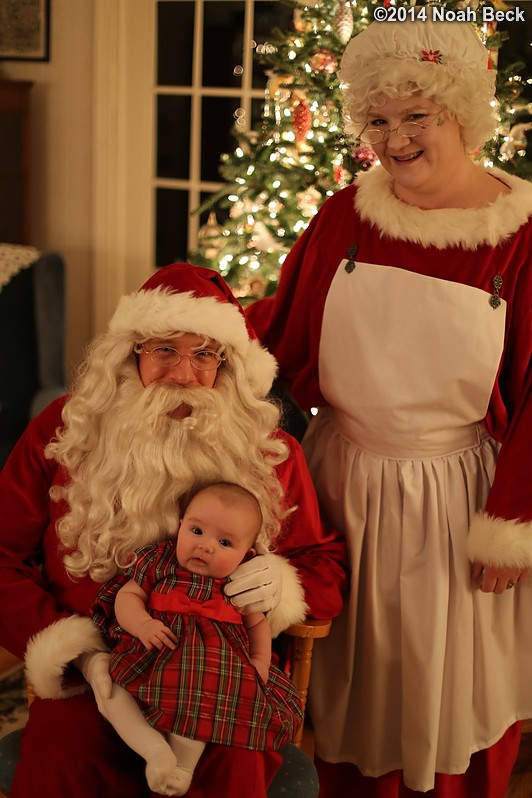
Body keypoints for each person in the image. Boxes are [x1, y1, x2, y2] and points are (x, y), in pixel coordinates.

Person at [246, 16, 532, 798]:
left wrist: (513, 521)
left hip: (457, 502)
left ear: (462, 115)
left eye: (417, 116)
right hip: (338, 493)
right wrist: (190, 336)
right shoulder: (347, 215)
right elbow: (280, 329)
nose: (394, 139)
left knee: (450, 697)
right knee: (345, 694)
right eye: (378, 118)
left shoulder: (522, 235)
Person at [0, 262, 347, 798]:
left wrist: (282, 586)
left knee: (232, 767)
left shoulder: (268, 450)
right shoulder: (66, 430)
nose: (183, 374)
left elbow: (323, 564)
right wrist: (74, 649)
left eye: (204, 354)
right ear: (130, 353)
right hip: (93, 672)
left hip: (222, 673)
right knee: (64, 759)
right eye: (164, 349)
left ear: (226, 365)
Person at [90, 481, 303, 796]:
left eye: (225, 542)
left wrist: (259, 661)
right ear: (179, 527)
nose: (206, 546)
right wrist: (143, 625)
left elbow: (257, 624)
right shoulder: (160, 561)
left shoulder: (240, 581)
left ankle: (183, 767)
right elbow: (128, 596)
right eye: (197, 531)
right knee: (110, 689)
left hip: (208, 670)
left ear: (249, 554)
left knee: (206, 708)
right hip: (153, 650)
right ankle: (153, 750)